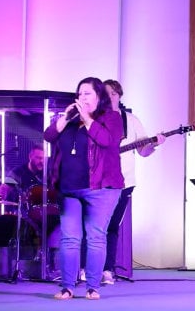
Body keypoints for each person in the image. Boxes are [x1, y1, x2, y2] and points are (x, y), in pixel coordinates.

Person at [43, 77, 124, 300]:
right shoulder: (69, 120)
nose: (82, 97)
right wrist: (65, 118)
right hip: (69, 189)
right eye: (79, 93)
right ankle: (67, 287)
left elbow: (107, 141)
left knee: (96, 237)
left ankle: (92, 287)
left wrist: (87, 118)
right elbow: (49, 136)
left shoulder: (112, 117)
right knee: (69, 239)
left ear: (100, 97)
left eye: (87, 93)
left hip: (101, 188)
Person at [85, 79, 164, 285]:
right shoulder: (95, 118)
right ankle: (86, 267)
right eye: (105, 93)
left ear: (119, 95)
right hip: (97, 180)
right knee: (92, 225)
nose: (109, 97)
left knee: (112, 226)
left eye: (113, 93)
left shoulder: (130, 120)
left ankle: (107, 269)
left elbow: (143, 151)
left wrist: (155, 143)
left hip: (124, 181)